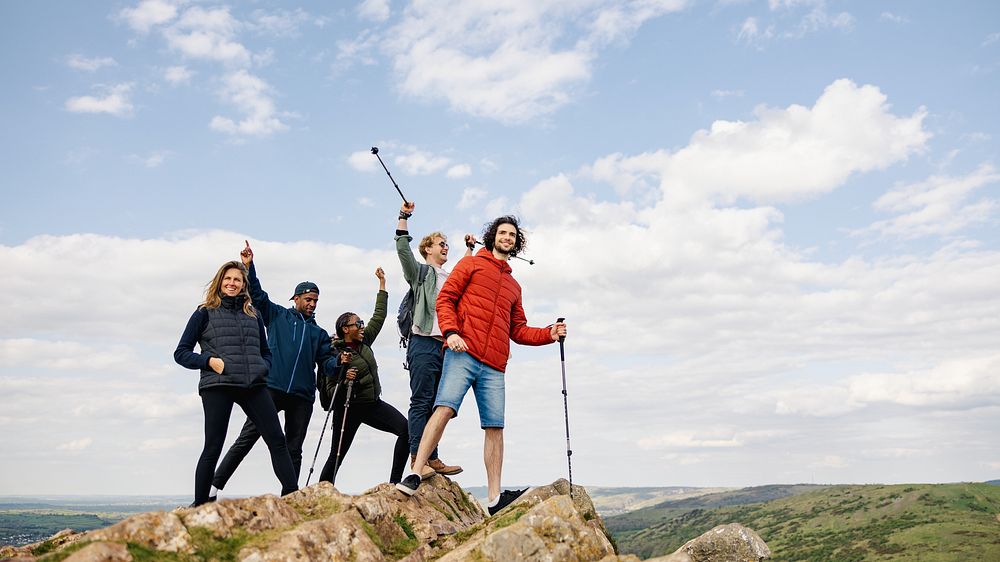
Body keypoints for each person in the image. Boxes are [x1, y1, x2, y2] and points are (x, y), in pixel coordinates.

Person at [395, 216, 567, 516]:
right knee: (444, 408)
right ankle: (415, 470)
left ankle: (493, 498)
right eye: (502, 233)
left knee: (495, 427)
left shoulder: (514, 285)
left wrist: (549, 333)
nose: (507, 238)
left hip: (495, 366)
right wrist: (450, 332)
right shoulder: (472, 264)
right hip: (463, 352)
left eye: (512, 235)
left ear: (516, 242)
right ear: (492, 237)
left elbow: (519, 329)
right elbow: (445, 299)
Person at [210, 241, 338, 499]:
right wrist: (249, 266)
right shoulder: (277, 315)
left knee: (294, 449)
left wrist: (341, 363)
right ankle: (212, 489)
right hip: (270, 388)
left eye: (315, 300)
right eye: (308, 299)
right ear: (297, 299)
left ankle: (289, 499)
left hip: (302, 397)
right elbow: (257, 295)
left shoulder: (319, 333)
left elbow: (327, 365)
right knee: (246, 440)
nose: (312, 304)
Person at [174, 261, 298, 507]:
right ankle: (201, 507)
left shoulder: (253, 314)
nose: (232, 283)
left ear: (244, 285)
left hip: (253, 383)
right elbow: (181, 352)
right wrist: (210, 361)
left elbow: (266, 351)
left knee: (276, 439)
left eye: (237, 280)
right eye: (228, 279)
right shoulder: (204, 312)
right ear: (220, 281)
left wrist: (263, 366)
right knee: (213, 446)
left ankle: (294, 498)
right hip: (218, 383)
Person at [395, 201, 470, 479]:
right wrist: (403, 217)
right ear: (428, 248)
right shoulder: (421, 273)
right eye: (441, 243)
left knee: (439, 404)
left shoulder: (449, 277)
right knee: (421, 401)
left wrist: (470, 249)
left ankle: (432, 457)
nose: (445, 246)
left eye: (447, 243)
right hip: (424, 342)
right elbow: (402, 250)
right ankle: (419, 458)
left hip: (446, 346)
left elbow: (467, 273)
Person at [319, 267, 410, 485]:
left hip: (372, 404)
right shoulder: (334, 353)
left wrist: (382, 285)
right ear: (344, 329)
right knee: (337, 456)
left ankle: (394, 484)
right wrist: (345, 378)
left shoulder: (364, 340)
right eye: (357, 324)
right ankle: (322, 492)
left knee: (406, 431)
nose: (362, 326)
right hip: (348, 409)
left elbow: (379, 316)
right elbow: (330, 391)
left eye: (361, 323)